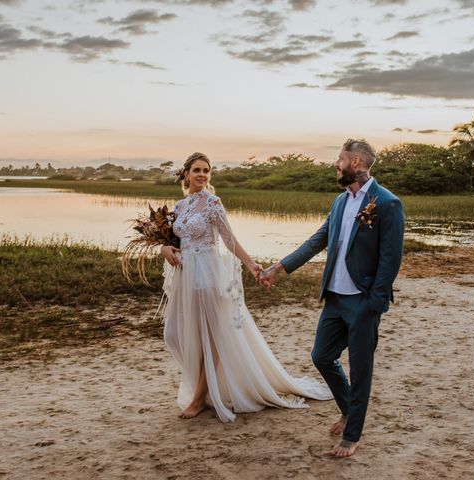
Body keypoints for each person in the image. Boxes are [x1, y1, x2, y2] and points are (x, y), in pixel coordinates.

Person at [259, 139, 405, 457]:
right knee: (322, 356)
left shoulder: (387, 203)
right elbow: (317, 240)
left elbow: (391, 259)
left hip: (363, 301)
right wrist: (278, 267)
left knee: (361, 369)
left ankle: (351, 437)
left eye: (339, 160)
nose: (335, 165)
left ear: (355, 162)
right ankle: (348, 408)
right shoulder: (340, 202)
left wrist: (374, 303)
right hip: (335, 299)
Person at [160, 152, 332, 422]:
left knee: (210, 336)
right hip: (185, 275)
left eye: (207, 170)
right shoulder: (180, 206)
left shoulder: (213, 203)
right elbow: (174, 241)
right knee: (174, 333)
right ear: (186, 174)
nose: (203, 175)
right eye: (197, 170)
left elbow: (229, 240)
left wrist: (252, 265)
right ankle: (203, 385)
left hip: (207, 273)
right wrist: (163, 248)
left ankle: (200, 397)